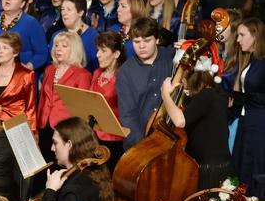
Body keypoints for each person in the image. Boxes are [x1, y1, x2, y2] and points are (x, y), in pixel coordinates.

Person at [161, 68, 236, 189]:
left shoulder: (206, 95)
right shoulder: (217, 96)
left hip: (210, 172)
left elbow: (180, 121)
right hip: (221, 167)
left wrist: (165, 94)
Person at [116, 17, 175, 150]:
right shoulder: (125, 72)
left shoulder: (172, 57)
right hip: (139, 143)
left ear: (157, 40)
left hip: (171, 136)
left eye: (147, 41)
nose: (141, 46)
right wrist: (146, 146)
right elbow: (128, 116)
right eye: (136, 41)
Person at [38, 32, 91, 156]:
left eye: (64, 46)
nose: (58, 49)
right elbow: (42, 100)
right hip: (44, 126)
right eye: (56, 45)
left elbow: (82, 111)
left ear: (74, 49)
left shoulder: (83, 75)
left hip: (66, 131)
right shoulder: (49, 69)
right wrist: (36, 127)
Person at [232, 18, 265, 195]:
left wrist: (242, 97)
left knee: (254, 168)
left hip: (259, 124)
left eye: (242, 35)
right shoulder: (251, 59)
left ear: (255, 36)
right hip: (246, 120)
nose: (238, 40)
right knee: (242, 166)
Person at [0, 32, 37, 130]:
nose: (0, 51)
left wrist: (32, 131)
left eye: (5, 48)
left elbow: (30, 108)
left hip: (15, 127)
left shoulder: (26, 75)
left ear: (15, 52)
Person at [90, 32, 126, 168]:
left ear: (116, 54)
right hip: (94, 135)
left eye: (103, 51)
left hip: (114, 138)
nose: (97, 55)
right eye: (98, 50)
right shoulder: (97, 73)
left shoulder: (123, 76)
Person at [53, 0, 99, 71]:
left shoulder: (93, 37)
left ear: (80, 12)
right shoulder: (56, 36)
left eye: (69, 9)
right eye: (62, 9)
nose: (64, 13)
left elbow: (98, 69)